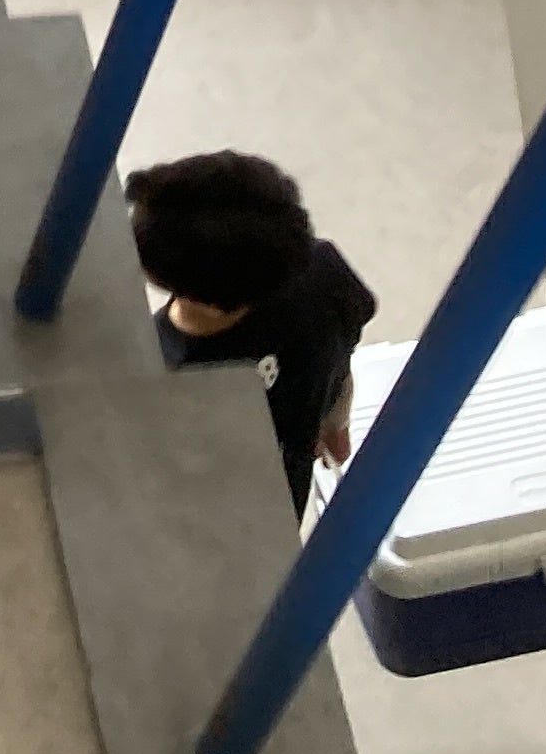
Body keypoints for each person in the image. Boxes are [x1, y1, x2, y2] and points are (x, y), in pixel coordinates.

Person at [130, 149, 379, 518]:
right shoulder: (324, 272)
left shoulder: (158, 366)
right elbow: (341, 358)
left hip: (228, 511)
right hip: (284, 488)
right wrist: (334, 425)